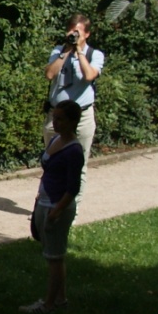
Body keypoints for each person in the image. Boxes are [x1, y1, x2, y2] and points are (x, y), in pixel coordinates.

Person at [23, 101, 85, 314]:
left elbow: (73, 187)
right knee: (52, 254)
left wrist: (57, 211)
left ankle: (48, 304)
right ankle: (60, 299)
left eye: (60, 119)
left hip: (56, 207)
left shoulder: (74, 151)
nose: (55, 122)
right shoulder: (56, 139)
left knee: (55, 258)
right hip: (44, 202)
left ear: (73, 122)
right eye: (54, 117)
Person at [45, 14, 105, 206]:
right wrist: (66, 52)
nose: (73, 34)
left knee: (79, 165)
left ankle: (72, 210)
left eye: (77, 31)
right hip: (56, 115)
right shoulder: (58, 51)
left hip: (82, 116)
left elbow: (89, 76)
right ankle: (49, 202)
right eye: (71, 30)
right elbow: (49, 74)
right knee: (51, 161)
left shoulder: (94, 55)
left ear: (87, 34)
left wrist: (78, 51)